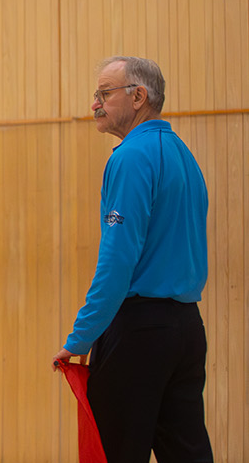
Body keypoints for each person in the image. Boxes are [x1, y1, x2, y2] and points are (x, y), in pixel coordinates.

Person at [53, 56, 213, 463]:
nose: (95, 104)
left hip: (140, 333)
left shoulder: (129, 158)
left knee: (117, 453)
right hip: (186, 331)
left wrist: (81, 336)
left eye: (104, 94)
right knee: (188, 453)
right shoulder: (184, 157)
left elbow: (118, 260)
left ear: (138, 96)